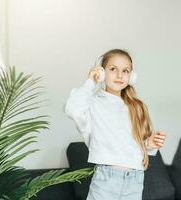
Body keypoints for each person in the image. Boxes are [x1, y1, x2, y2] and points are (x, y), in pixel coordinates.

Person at [64, 49, 166, 200]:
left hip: (136, 180)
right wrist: (90, 82)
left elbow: (133, 145)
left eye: (125, 71)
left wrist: (149, 144)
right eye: (113, 69)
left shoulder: (136, 107)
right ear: (102, 72)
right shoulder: (92, 103)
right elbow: (73, 109)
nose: (119, 75)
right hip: (106, 181)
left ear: (131, 77)